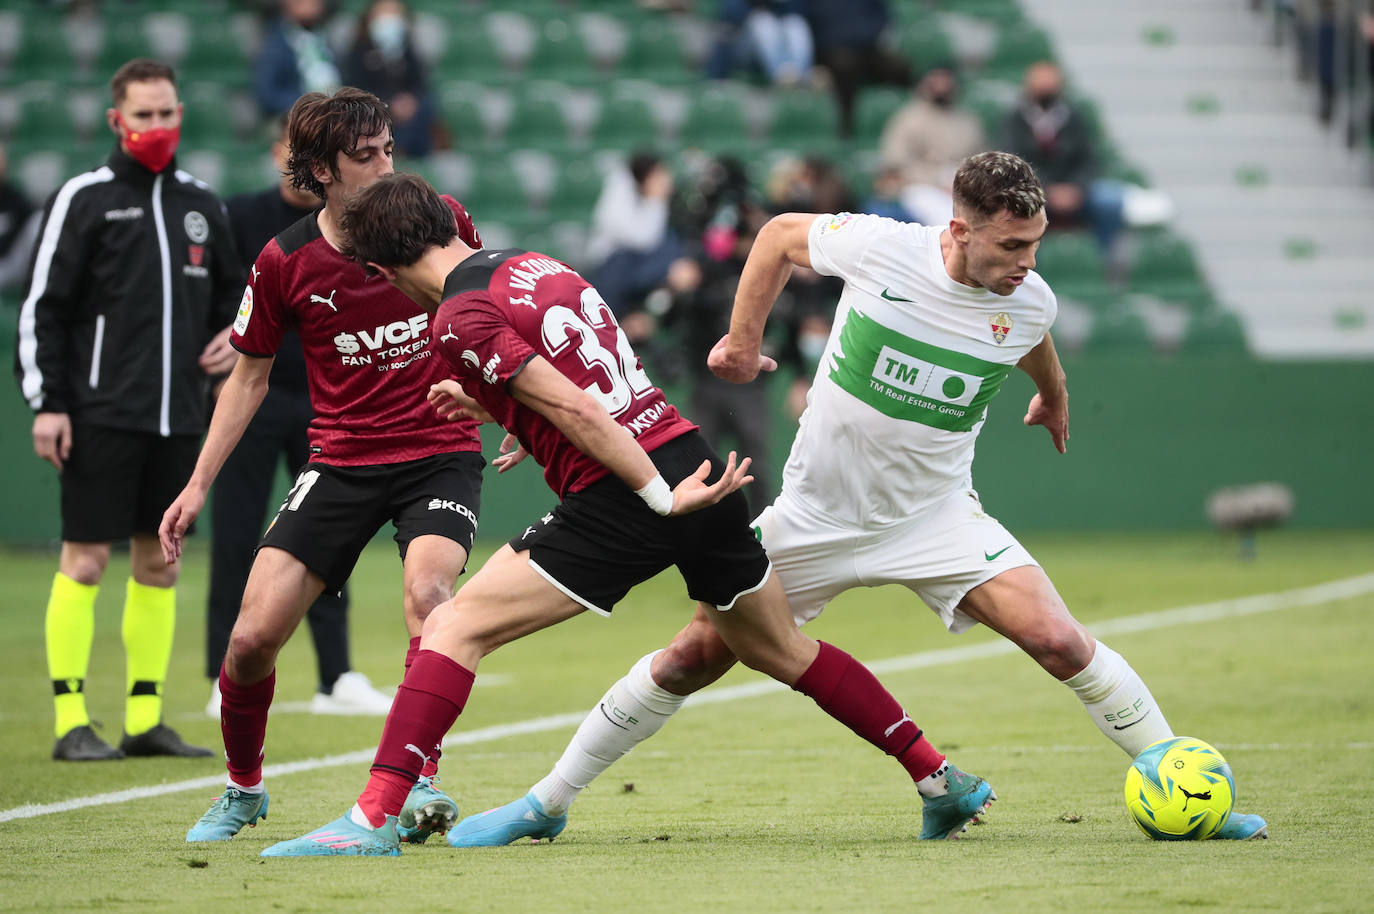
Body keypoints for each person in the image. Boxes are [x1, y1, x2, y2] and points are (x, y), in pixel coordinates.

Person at [441, 151, 1271, 846]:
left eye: (1036, 244)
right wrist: (742, 339)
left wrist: (1054, 395)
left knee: (1059, 639)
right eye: (1012, 244)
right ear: (958, 231)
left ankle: (1185, 787)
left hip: (935, 516)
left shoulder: (1029, 300)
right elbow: (774, 237)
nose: (1027, 263)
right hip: (814, 517)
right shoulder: (882, 248)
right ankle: (544, 804)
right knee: (693, 655)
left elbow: (1035, 340)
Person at [256, 172, 996, 857]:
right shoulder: (531, 266)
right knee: (780, 649)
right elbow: (586, 378)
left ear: (379, 271)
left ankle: (375, 817)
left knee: (454, 626)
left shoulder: (456, 316)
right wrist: (503, 411)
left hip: (632, 491)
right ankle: (939, 779)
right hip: (693, 458)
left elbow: (575, 405)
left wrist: (652, 495)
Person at [160, 88, 485, 845]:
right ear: (319, 171)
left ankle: (416, 780)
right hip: (340, 460)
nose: (384, 167)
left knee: (430, 595)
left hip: (437, 449)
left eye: (389, 151)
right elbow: (247, 376)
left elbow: (485, 307)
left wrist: (510, 409)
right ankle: (244, 790)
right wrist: (197, 483)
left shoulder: (441, 218)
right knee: (248, 643)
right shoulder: (284, 261)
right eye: (364, 156)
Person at [14, 59, 240, 762]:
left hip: (179, 417)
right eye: (143, 116)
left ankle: (145, 719)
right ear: (118, 120)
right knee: (83, 562)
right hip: (98, 413)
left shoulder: (202, 202)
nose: (157, 127)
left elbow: (241, 300)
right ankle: (70, 721)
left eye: (167, 113)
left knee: (160, 565)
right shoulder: (82, 198)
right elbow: (42, 309)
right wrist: (48, 403)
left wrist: (236, 338)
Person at [204, 119, 394, 720]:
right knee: (237, 536)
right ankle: (222, 674)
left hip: (323, 398)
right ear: (287, 154)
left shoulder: (355, 228)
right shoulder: (241, 218)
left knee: (325, 540)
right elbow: (216, 298)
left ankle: (335, 676)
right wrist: (218, 343)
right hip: (254, 396)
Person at [1001, 61, 1124, 256]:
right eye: (1040, 83)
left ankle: (1105, 263)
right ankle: (1027, 265)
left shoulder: (1074, 117)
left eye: (1050, 83)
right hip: (1033, 191)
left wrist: (1077, 188)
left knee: (1110, 201)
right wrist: (1047, 189)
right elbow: (1013, 161)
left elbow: (1090, 160)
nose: (1045, 89)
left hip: (1076, 191)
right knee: (1014, 210)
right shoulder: (1014, 119)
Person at [878, 67, 986, 227]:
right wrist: (938, 180)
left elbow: (982, 159)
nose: (941, 86)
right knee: (950, 221)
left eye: (945, 81)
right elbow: (897, 162)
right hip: (919, 185)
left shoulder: (967, 120)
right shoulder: (909, 118)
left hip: (962, 182)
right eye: (936, 81)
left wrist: (960, 181)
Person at [340, 0, 437, 159]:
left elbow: (420, 85)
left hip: (409, 115)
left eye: (394, 13)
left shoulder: (408, 51)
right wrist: (390, 103)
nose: (389, 19)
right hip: (374, 113)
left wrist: (411, 100)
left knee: (426, 106)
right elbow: (354, 89)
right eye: (383, 13)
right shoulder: (358, 52)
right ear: (370, 19)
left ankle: (416, 157)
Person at [805, 0, 912, 138]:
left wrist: (869, 33)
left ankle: (905, 120)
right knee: (845, 67)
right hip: (834, 49)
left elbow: (883, 15)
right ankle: (847, 124)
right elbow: (807, 25)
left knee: (899, 67)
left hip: (868, 46)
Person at [255, 0, 341, 119]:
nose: (310, 5)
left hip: (337, 109)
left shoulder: (327, 35)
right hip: (300, 114)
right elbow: (267, 94)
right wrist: (308, 103)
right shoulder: (274, 43)